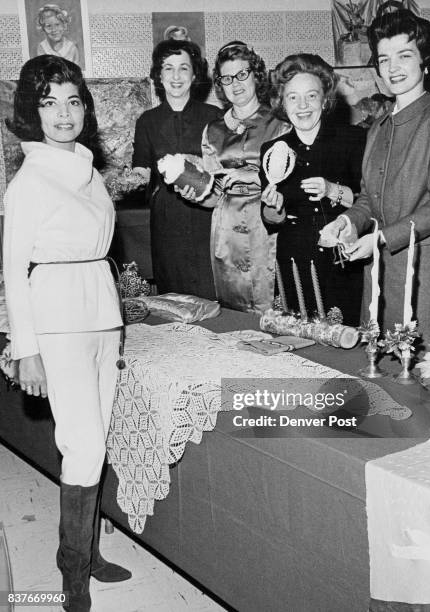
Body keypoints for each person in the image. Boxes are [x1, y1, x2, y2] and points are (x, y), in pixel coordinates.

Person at [3, 55, 131, 612]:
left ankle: (86, 552)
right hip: (56, 318)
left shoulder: (86, 165)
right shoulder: (29, 180)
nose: (63, 113)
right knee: (81, 445)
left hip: (102, 312)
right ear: (33, 113)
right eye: (49, 102)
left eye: (73, 100)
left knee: (96, 443)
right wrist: (25, 349)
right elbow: (12, 268)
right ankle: (73, 573)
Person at [320, 9, 430, 343]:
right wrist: (347, 222)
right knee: (378, 360)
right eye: (384, 59)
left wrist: (382, 238)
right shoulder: (379, 127)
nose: (393, 68)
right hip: (379, 265)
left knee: (420, 369)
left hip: (426, 265)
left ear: (424, 62)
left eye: (404, 55)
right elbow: (368, 198)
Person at [179, 41, 290, 313]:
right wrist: (195, 194)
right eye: (227, 78)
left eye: (242, 74)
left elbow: (291, 182)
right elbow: (214, 196)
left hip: (267, 223)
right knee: (233, 310)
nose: (236, 83)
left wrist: (256, 177)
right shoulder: (213, 130)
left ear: (256, 75)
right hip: (226, 228)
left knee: (273, 307)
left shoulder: (280, 122)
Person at [260, 53, 366, 325]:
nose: (302, 105)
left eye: (311, 95)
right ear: (282, 102)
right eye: (293, 97)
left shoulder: (354, 140)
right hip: (294, 260)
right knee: (294, 341)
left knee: (346, 339)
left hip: (342, 260)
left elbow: (370, 202)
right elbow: (270, 221)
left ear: (325, 98)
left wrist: (333, 190)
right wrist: (274, 209)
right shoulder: (272, 152)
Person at [132, 39, 221, 298]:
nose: (176, 76)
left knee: (211, 289)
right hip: (167, 217)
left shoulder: (214, 116)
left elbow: (224, 170)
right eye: (168, 68)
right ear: (158, 76)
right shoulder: (147, 121)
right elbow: (141, 172)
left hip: (208, 213)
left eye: (184, 68)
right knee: (174, 293)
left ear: (195, 75)